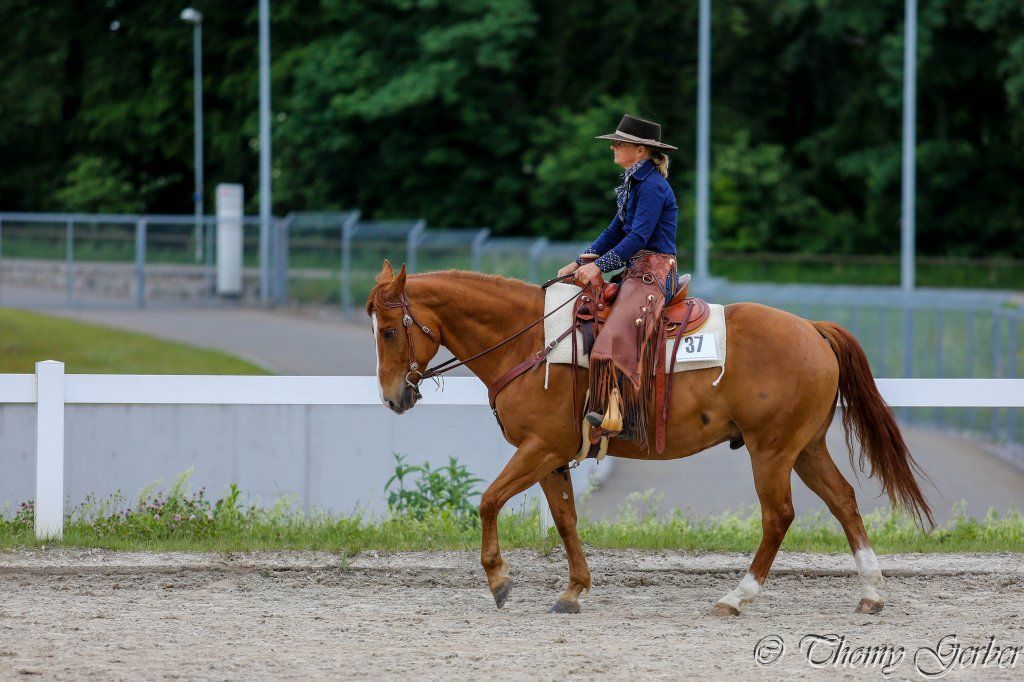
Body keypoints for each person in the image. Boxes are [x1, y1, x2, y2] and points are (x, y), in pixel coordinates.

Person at [556, 114, 680, 447]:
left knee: (614, 334)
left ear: (640, 150)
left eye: (619, 143)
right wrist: (582, 259)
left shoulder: (653, 186)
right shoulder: (634, 182)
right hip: (636, 270)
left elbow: (638, 236)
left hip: (655, 272)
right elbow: (615, 230)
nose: (613, 146)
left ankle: (621, 414)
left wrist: (601, 267)